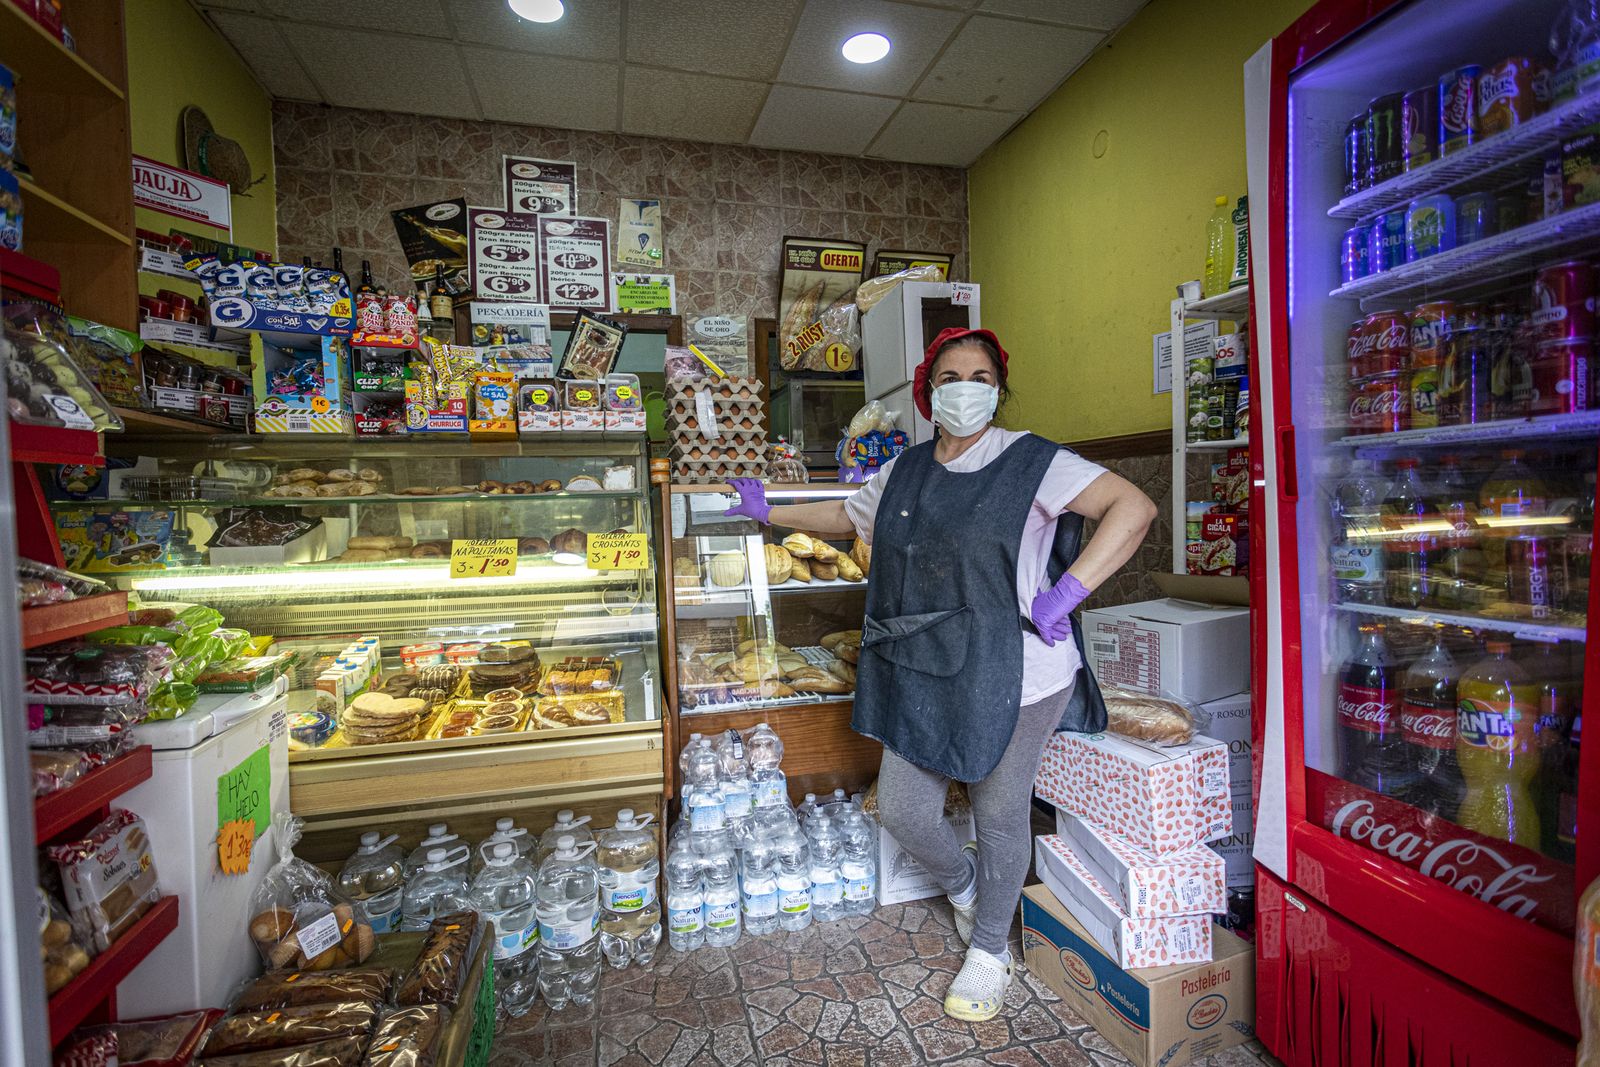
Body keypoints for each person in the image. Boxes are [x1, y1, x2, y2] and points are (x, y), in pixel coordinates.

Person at [725, 327, 1155, 1022]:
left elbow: (1132, 508)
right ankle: (966, 886)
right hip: (926, 665)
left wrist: (1068, 591)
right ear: (928, 393)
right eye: (952, 375)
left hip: (1017, 668)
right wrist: (770, 510)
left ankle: (990, 949)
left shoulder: (1032, 460)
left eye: (982, 376)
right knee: (902, 808)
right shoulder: (906, 469)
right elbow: (845, 514)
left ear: (998, 388)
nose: (967, 387)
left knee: (1000, 807)